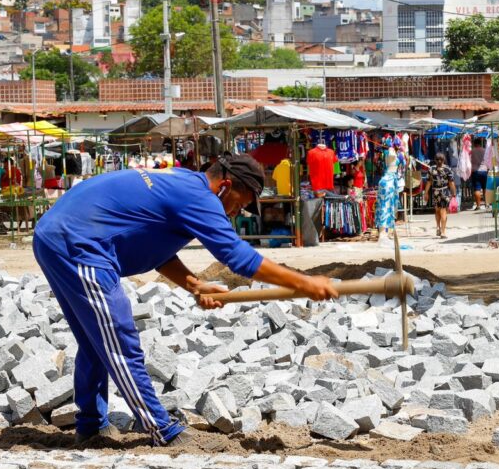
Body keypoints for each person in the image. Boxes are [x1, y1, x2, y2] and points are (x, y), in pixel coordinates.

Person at [32, 154, 338, 446]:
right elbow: (238, 257)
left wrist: (195, 285)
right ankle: (160, 428)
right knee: (118, 336)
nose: (235, 214)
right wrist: (304, 282)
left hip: (57, 234)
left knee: (97, 337)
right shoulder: (200, 198)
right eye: (239, 206)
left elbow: (155, 246)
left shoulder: (184, 182)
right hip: (79, 242)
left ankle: (90, 426)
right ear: (227, 186)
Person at [423, 153, 457, 238]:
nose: (439, 161)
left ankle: (438, 227)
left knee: (438, 211)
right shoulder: (447, 169)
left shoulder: (431, 169)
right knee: (443, 211)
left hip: (435, 192)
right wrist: (454, 193)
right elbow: (451, 182)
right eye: (438, 160)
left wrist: (426, 192)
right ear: (444, 160)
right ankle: (443, 232)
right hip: (444, 192)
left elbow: (428, 182)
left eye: (439, 160)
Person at [470, 138, 488, 210]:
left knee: (477, 189)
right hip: (484, 170)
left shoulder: (472, 151)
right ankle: (487, 204)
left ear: (474, 144)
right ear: (480, 143)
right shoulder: (485, 151)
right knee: (485, 188)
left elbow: (469, 161)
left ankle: (478, 205)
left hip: (475, 171)